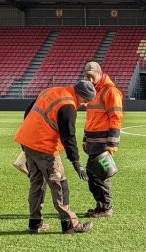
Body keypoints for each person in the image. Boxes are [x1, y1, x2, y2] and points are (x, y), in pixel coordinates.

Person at [14, 80, 96, 234]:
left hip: (28, 142)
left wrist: (27, 142)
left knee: (37, 184)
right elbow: (68, 136)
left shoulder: (51, 91)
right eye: (85, 101)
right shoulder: (68, 106)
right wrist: (76, 162)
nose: (84, 105)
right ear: (79, 95)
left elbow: (29, 112)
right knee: (59, 184)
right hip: (45, 148)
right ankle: (70, 225)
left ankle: (35, 224)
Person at [82, 61, 124, 218]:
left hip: (103, 142)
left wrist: (112, 144)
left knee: (100, 176)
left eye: (92, 76)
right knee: (92, 175)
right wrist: (86, 139)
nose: (89, 79)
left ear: (100, 74)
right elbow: (90, 117)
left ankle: (106, 208)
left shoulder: (111, 91)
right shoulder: (92, 91)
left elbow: (116, 117)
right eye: (87, 76)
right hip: (93, 141)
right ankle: (101, 206)